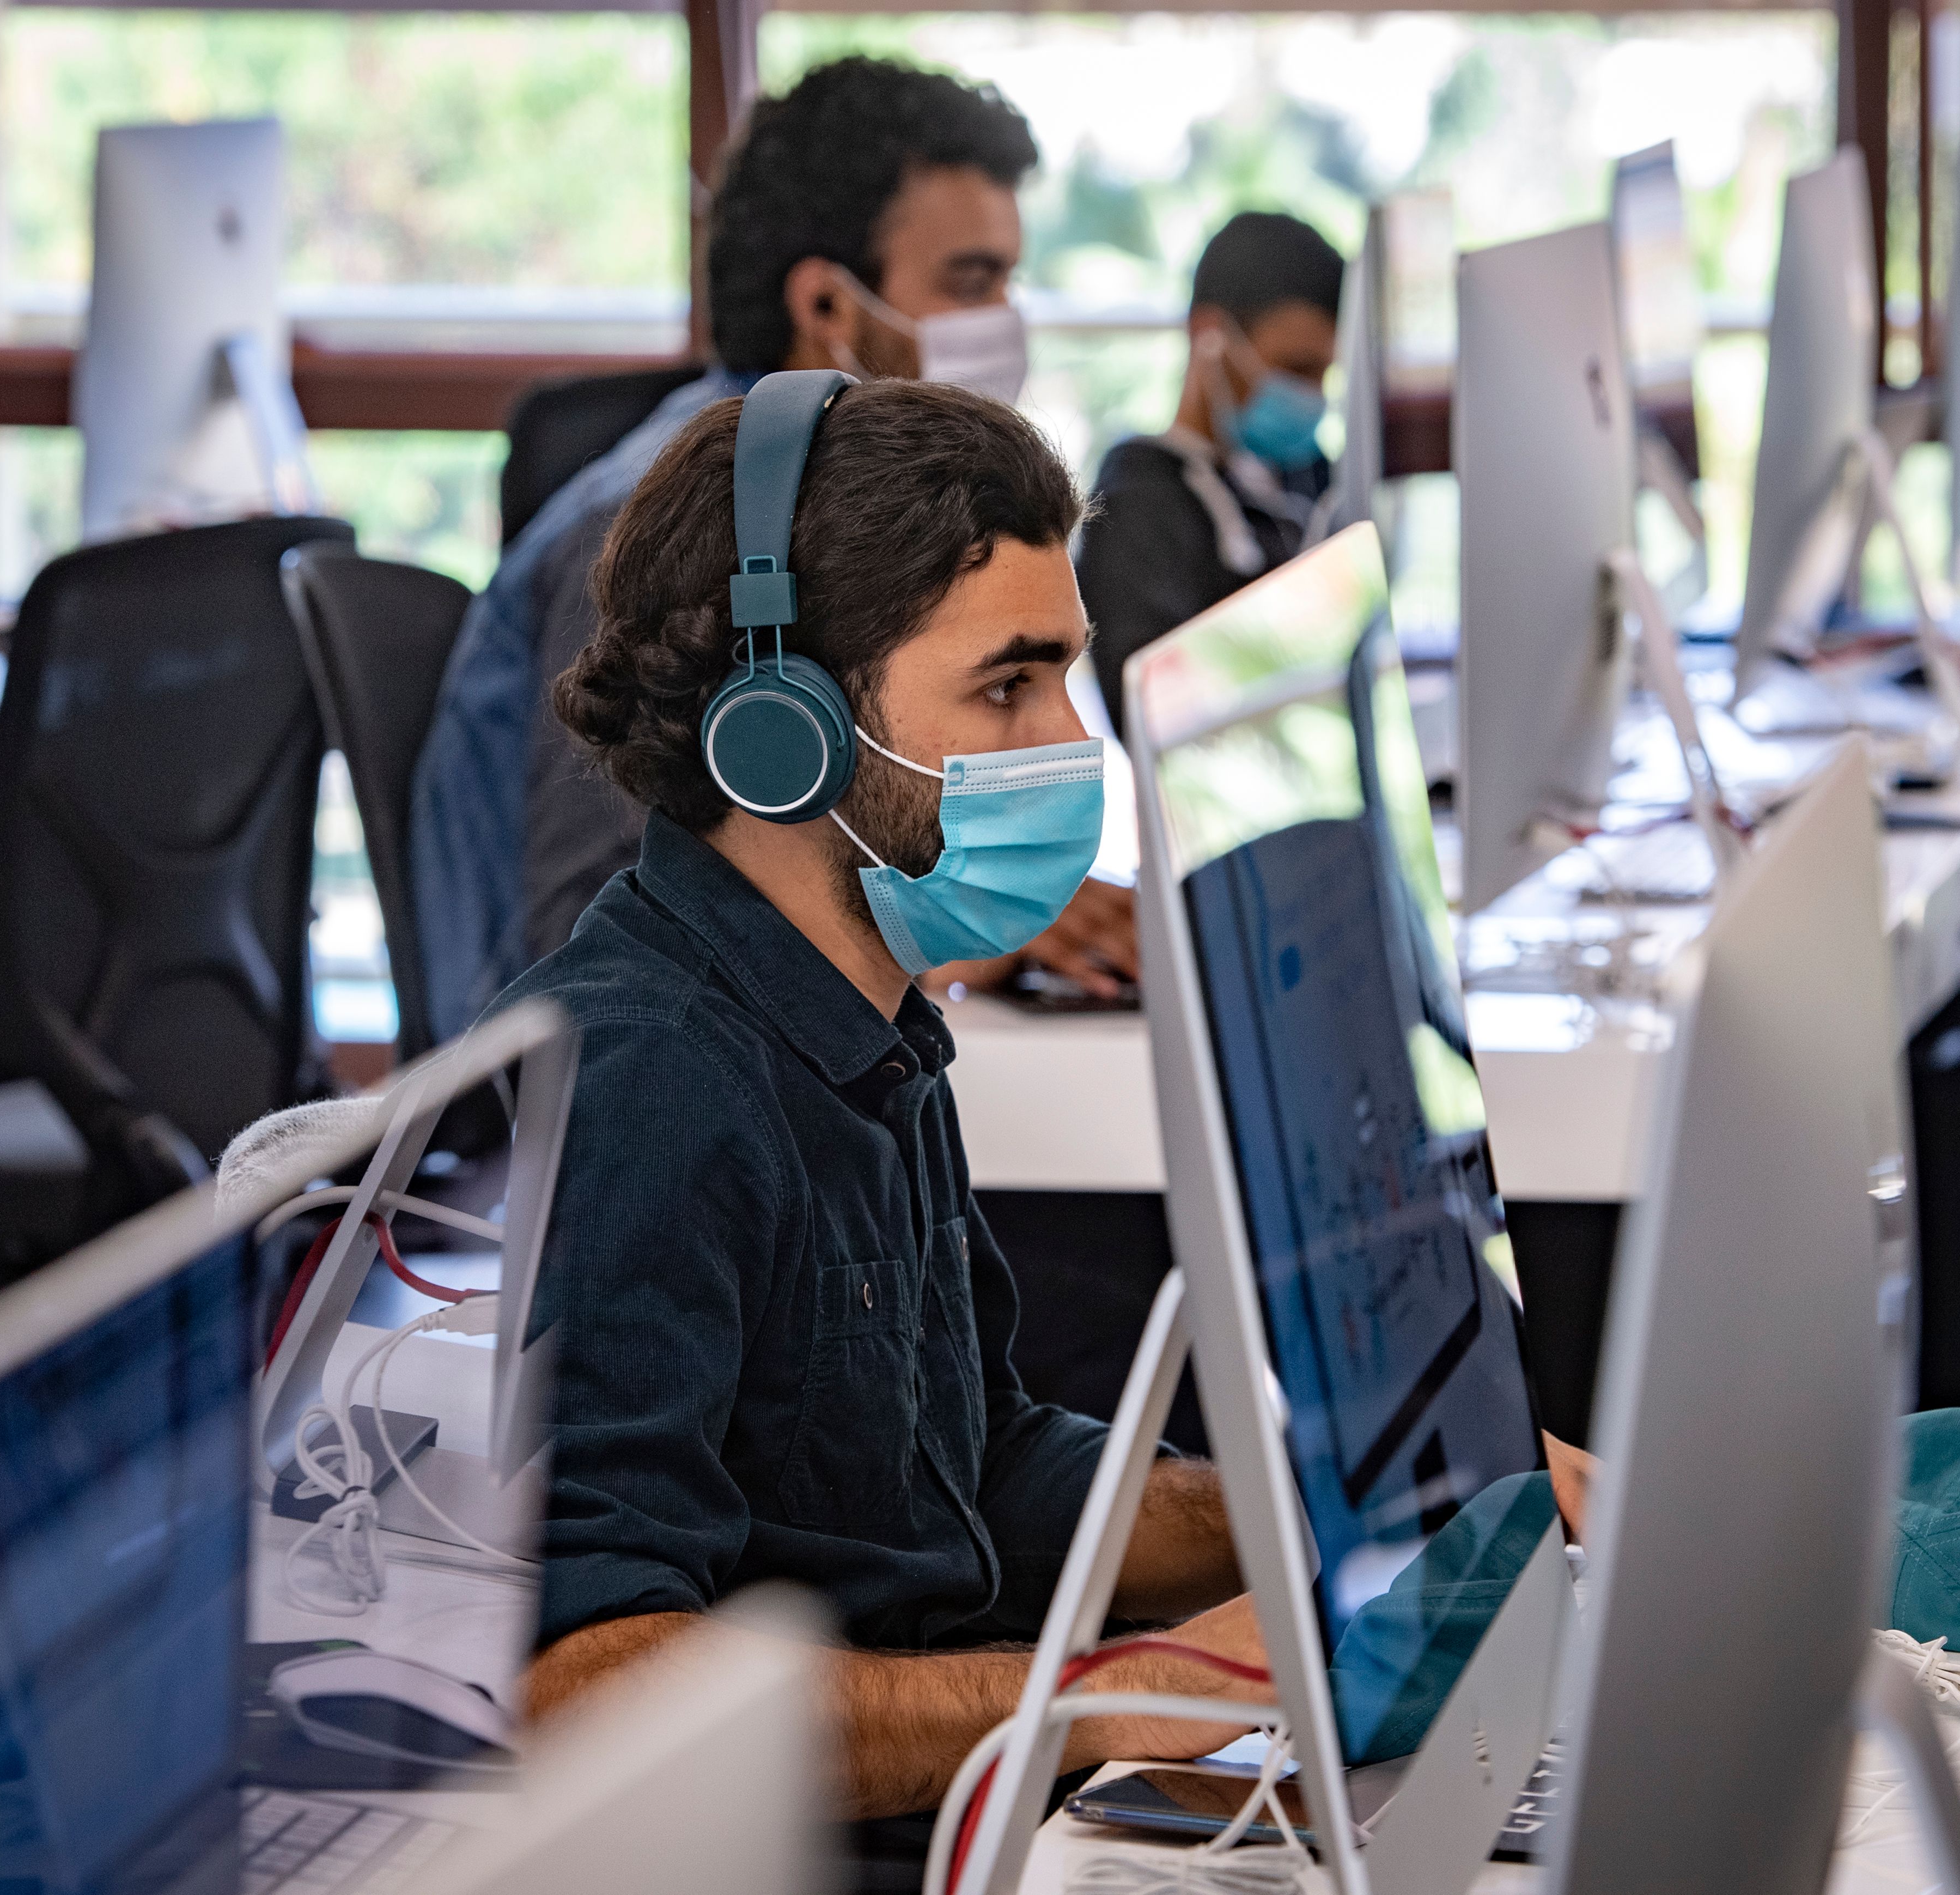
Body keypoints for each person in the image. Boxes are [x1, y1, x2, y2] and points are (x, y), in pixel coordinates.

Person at [497, 373, 1594, 1833]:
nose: (1068, 740)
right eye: (1008, 683)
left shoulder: (870, 1013)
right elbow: (585, 1684)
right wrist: (1101, 1694)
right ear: (786, 731)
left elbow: (988, 1462)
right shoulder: (651, 1081)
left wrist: (1335, 1514)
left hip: (998, 1797)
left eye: (1068, 676)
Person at [407, 57, 1136, 1048]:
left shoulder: (833, 515)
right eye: (970, 281)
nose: (1003, 323)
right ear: (826, 309)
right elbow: (579, 947)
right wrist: (941, 943)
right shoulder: (661, 527)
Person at [1076, 211, 1346, 738]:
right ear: (1209, 335)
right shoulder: (1136, 503)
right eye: (1295, 369)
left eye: (1326, 375)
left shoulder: (1313, 482)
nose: (1312, 397)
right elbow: (1156, 726)